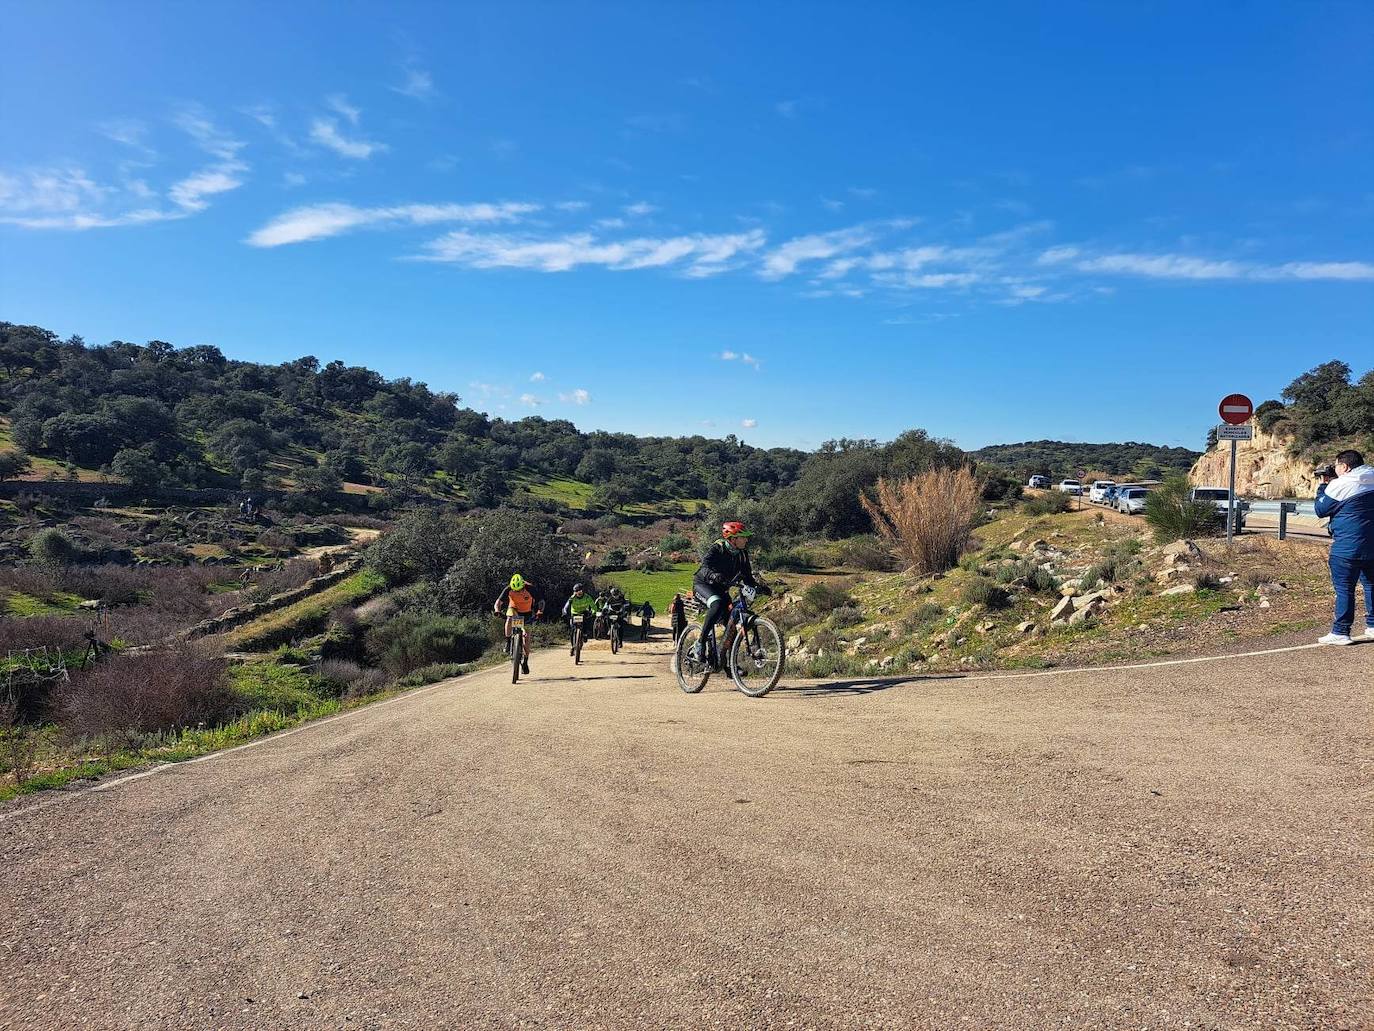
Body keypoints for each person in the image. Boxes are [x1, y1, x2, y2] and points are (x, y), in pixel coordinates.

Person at [1314, 449, 1374, 645]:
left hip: (1347, 547)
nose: (1336, 469)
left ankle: (1341, 631)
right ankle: (1373, 626)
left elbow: (1321, 510)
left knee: (1345, 589)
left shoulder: (1341, 484)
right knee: (1371, 585)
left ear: (1345, 466)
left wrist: (1323, 487)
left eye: (1337, 465)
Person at [689, 521, 769, 667]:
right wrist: (713, 575)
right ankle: (699, 644)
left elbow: (748, 578)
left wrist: (760, 587)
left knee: (730, 626)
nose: (746, 540)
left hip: (721, 589)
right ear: (732, 539)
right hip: (703, 585)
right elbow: (704, 567)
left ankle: (728, 666)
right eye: (743, 537)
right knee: (717, 604)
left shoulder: (742, 555)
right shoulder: (717, 548)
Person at [492, 573, 544, 673]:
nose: (517, 591)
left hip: (527, 612)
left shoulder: (530, 588)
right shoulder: (508, 588)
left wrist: (539, 611)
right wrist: (497, 610)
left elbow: (541, 601)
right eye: (515, 590)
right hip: (514, 609)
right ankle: (508, 642)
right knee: (509, 618)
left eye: (519, 589)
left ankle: (525, 661)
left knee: (526, 638)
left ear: (523, 585)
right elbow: (498, 601)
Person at [561, 583, 597, 653]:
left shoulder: (587, 597)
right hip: (574, 613)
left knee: (587, 620)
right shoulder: (572, 597)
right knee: (572, 630)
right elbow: (566, 605)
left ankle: (585, 634)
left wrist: (593, 612)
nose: (578, 592)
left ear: (582, 590)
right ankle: (572, 646)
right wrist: (564, 612)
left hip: (584, 612)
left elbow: (593, 605)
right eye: (576, 591)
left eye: (579, 591)